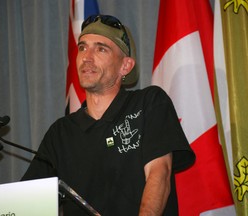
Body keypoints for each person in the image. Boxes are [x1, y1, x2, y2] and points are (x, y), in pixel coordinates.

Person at [22, 14, 196, 216]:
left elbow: (160, 173)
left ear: (125, 66)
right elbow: (27, 204)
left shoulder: (149, 103)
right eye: (82, 47)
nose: (86, 57)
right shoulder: (60, 133)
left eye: (101, 49)